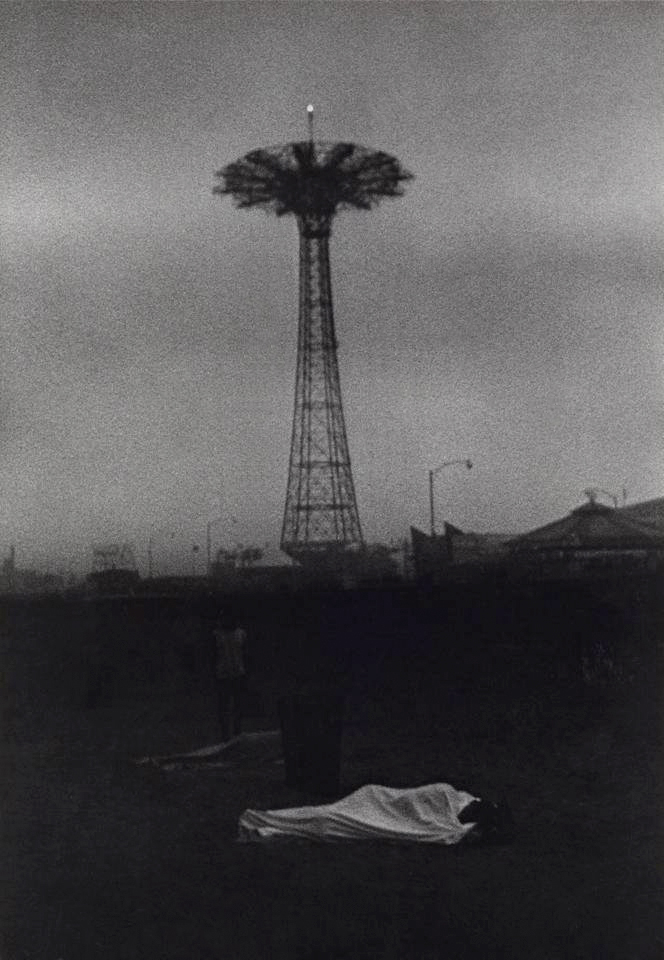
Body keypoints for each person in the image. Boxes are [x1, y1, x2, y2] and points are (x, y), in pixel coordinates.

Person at [213, 612, 248, 741]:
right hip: (224, 674)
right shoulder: (217, 635)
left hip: (237, 673)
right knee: (225, 705)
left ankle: (237, 731)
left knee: (237, 704)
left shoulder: (240, 634)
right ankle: (226, 734)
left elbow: (245, 653)